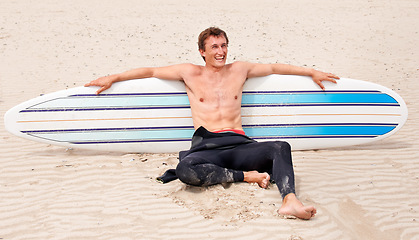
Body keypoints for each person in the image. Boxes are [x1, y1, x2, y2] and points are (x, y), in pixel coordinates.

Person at [85, 27, 339, 220]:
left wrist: (311, 72)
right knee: (186, 169)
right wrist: (114, 77)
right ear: (202, 51)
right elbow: (150, 71)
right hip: (207, 148)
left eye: (224, 45)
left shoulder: (240, 70)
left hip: (239, 145)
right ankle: (247, 177)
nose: (221, 52)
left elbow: (274, 67)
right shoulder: (189, 72)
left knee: (281, 147)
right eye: (214, 47)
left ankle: (290, 201)